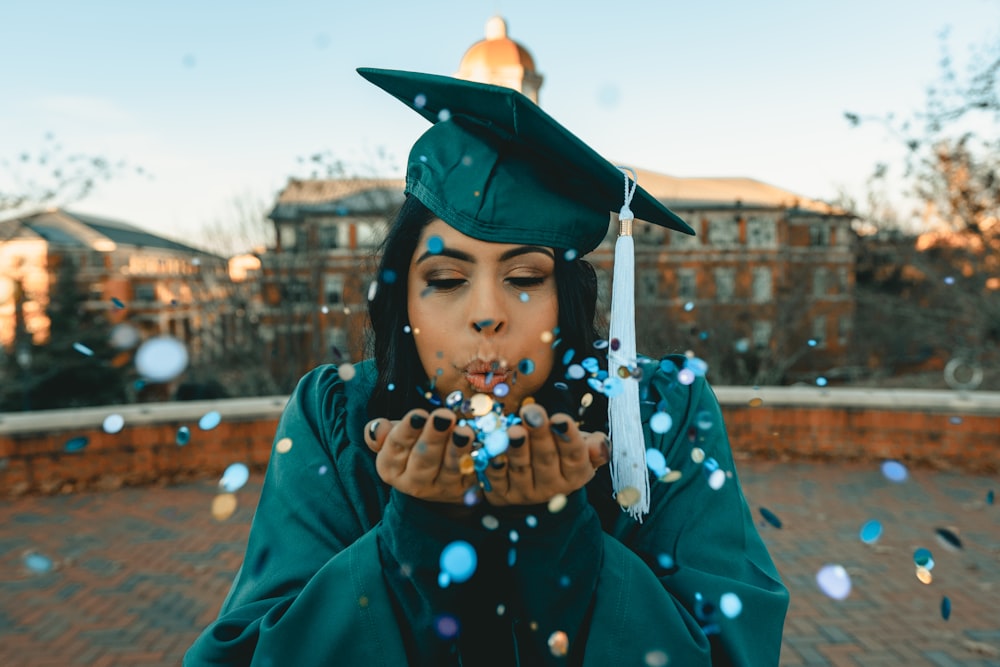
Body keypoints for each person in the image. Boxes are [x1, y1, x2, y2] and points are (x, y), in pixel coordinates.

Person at [185, 68, 788, 666]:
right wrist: (413, 536)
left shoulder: (657, 413)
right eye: (446, 279)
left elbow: (731, 650)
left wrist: (563, 541)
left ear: (568, 298)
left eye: (525, 278)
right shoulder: (338, 415)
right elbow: (250, 651)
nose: (486, 316)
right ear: (403, 299)